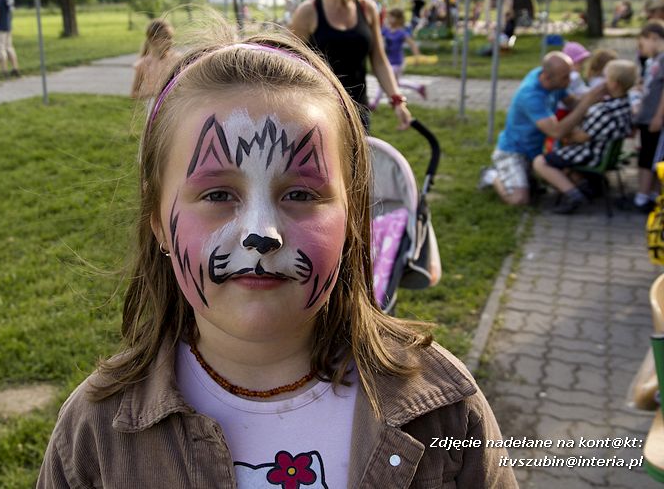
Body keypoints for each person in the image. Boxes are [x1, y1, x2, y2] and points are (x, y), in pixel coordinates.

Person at [36, 28, 518, 488]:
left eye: (303, 194)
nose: (261, 235)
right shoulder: (96, 435)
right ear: (158, 222)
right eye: (219, 193)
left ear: (352, 217)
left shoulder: (445, 410)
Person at [290, 0, 412, 132]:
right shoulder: (308, 12)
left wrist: (397, 100)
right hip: (318, 116)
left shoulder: (368, 9)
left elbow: (378, 59)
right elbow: (290, 65)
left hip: (358, 114)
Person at [479, 52, 607, 206]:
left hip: (535, 151)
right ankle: (491, 175)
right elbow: (556, 131)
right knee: (519, 199)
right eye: (565, 77)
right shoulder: (531, 95)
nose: (569, 81)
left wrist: (594, 99)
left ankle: (526, 177)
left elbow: (572, 103)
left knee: (567, 179)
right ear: (547, 77)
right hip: (513, 150)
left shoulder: (553, 81)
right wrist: (586, 103)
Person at [533, 59, 636, 214]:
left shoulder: (604, 111)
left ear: (614, 84)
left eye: (605, 78)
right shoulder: (625, 104)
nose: (602, 82)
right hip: (607, 155)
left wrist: (565, 135)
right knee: (562, 162)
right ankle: (586, 185)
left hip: (591, 154)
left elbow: (581, 137)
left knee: (540, 162)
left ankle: (573, 194)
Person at [634, 20, 664, 212]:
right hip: (647, 117)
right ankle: (649, 194)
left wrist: (659, 117)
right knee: (647, 155)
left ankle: (644, 197)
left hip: (654, 119)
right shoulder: (655, 60)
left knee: (651, 158)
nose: (641, 49)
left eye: (642, 44)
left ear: (653, 38)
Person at [369, 7, 426, 109]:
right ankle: (418, 87)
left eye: (392, 17)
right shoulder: (386, 30)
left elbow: (412, 44)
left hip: (397, 62)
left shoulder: (401, 33)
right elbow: (376, 38)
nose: (389, 19)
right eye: (389, 17)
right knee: (395, 83)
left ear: (399, 19)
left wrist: (417, 57)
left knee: (385, 82)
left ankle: (374, 103)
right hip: (387, 61)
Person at [130, 19, 180, 111]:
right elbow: (134, 93)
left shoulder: (176, 59)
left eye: (171, 37)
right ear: (154, 40)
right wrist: (154, 93)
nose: (170, 41)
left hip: (175, 105)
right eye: (166, 37)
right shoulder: (143, 64)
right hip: (154, 108)